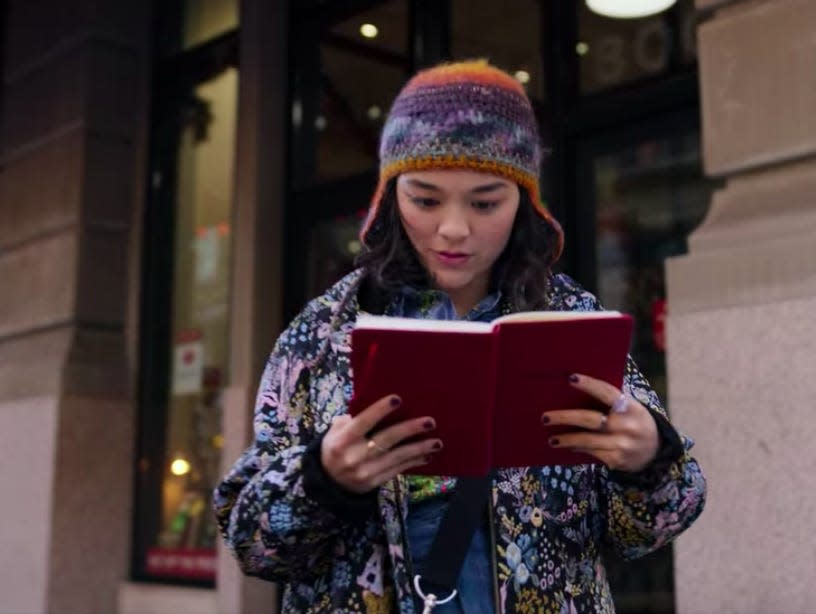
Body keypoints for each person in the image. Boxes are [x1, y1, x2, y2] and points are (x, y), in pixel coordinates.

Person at [213, 59, 706, 614]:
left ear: (523, 200)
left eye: (485, 202)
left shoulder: (569, 318)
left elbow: (659, 522)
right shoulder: (325, 333)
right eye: (425, 199)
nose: (453, 229)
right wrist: (323, 478)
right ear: (389, 197)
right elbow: (250, 541)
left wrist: (649, 460)